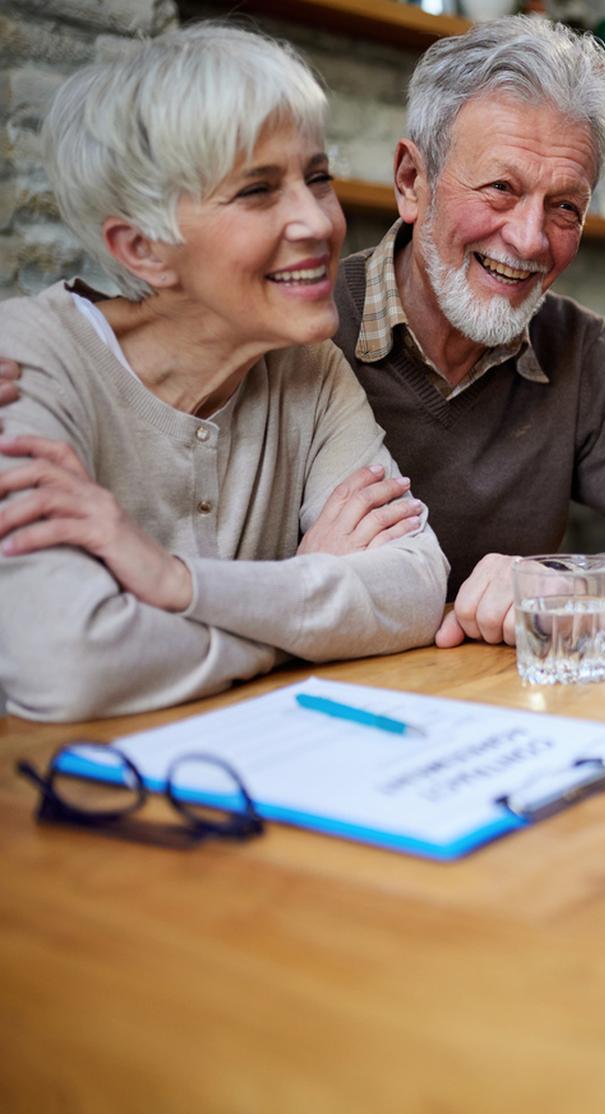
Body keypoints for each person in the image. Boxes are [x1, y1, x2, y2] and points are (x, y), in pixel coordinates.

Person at [0, 25, 449, 722]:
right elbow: (71, 664)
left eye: (318, 178)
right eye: (258, 191)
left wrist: (179, 585)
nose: (318, 221)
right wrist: (297, 608)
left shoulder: (310, 369)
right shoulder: (26, 363)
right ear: (143, 248)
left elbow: (417, 588)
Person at [330, 15, 605, 647]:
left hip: (510, 712)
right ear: (412, 182)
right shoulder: (307, 328)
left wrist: (570, 584)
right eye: (501, 188)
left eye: (565, 207)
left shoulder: (578, 349)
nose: (529, 240)